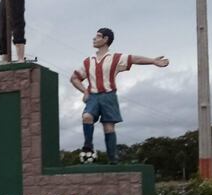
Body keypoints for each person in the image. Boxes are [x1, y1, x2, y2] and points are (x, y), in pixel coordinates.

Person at [70, 28, 169, 164]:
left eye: (98, 36)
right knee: (87, 117)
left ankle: (112, 159)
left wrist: (152, 61)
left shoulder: (115, 58)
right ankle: (88, 146)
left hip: (109, 95)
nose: (94, 38)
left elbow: (134, 59)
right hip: (93, 96)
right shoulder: (88, 61)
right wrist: (85, 91)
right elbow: (74, 78)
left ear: (105, 40)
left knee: (109, 126)